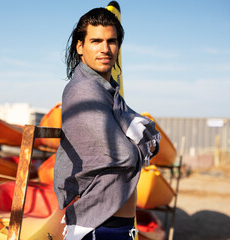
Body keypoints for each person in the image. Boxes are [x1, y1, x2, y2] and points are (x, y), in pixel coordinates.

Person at [53, 7, 161, 240]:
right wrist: (139, 139)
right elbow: (125, 154)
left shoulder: (109, 92)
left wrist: (142, 137)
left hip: (118, 225)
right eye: (96, 41)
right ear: (80, 47)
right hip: (99, 228)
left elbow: (148, 134)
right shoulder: (83, 91)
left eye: (111, 41)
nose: (105, 48)